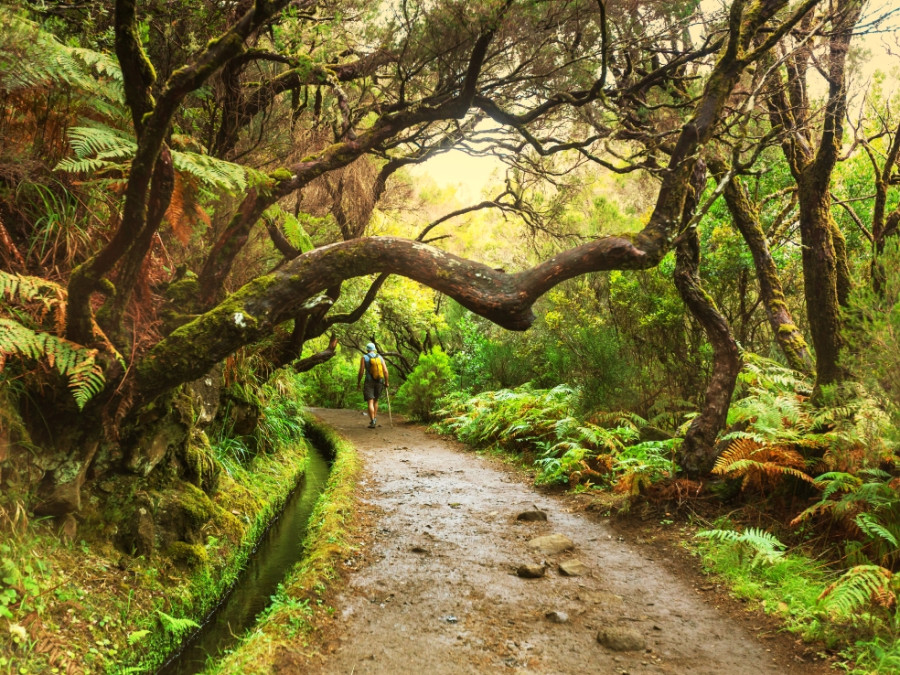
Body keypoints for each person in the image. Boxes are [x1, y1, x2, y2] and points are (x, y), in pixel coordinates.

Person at [357, 342, 389, 428]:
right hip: (379, 381)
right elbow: (385, 371)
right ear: (374, 349)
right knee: (376, 400)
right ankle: (374, 418)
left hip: (369, 381)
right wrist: (386, 382)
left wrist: (359, 382)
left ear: (367, 349)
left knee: (370, 401)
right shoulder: (380, 357)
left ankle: (372, 421)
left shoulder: (364, 358)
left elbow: (361, 371)